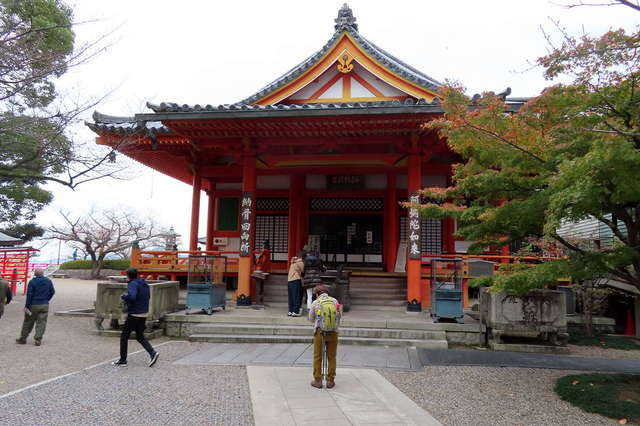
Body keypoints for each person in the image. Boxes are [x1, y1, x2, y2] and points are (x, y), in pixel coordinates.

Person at [112, 268, 159, 367]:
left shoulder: (132, 284)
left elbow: (132, 297)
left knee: (124, 336)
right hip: (143, 313)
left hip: (134, 314)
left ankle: (123, 360)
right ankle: (152, 353)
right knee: (140, 336)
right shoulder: (144, 283)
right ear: (137, 274)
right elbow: (148, 297)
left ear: (128, 276)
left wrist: (124, 297)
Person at [308, 285, 342, 389]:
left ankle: (318, 381)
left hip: (320, 332)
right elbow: (339, 315)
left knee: (317, 356)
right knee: (332, 357)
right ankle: (330, 381)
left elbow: (311, 318)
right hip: (333, 332)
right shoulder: (335, 301)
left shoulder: (316, 302)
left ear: (317, 294)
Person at [16, 268, 55, 346]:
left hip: (33, 305)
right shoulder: (48, 281)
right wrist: (47, 299)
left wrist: (27, 306)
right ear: (43, 273)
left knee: (28, 322)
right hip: (44, 304)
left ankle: (23, 338)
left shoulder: (32, 282)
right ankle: (38, 339)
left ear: (35, 274)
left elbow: (29, 295)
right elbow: (52, 292)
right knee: (41, 322)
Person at [287, 252, 305, 317]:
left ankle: (290, 311)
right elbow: (303, 271)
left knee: (291, 297)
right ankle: (295, 311)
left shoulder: (293, 262)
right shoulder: (300, 262)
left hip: (289, 280)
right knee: (296, 296)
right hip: (295, 280)